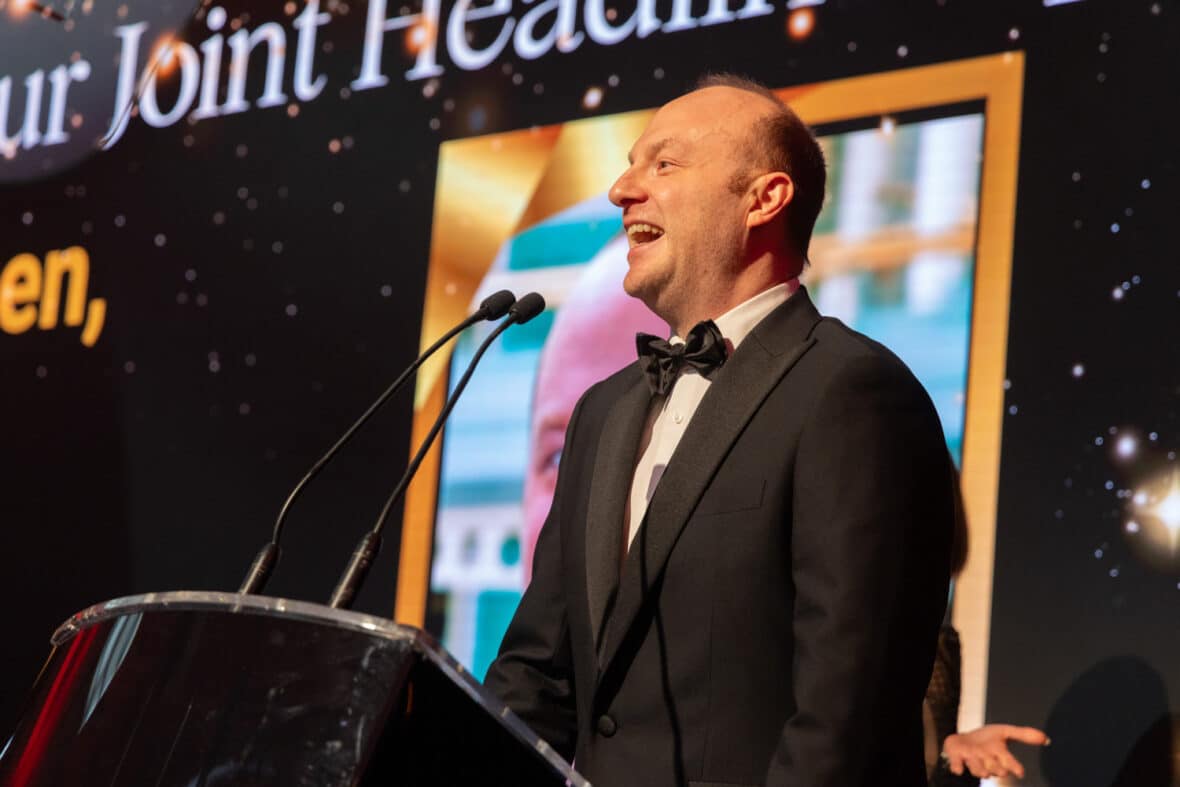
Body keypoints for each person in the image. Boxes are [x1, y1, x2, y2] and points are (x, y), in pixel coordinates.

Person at [483, 74, 956, 787]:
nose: (621, 189)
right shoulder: (603, 412)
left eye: (664, 164)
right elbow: (535, 677)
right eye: (632, 164)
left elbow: (843, 715)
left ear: (764, 199)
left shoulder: (853, 393)